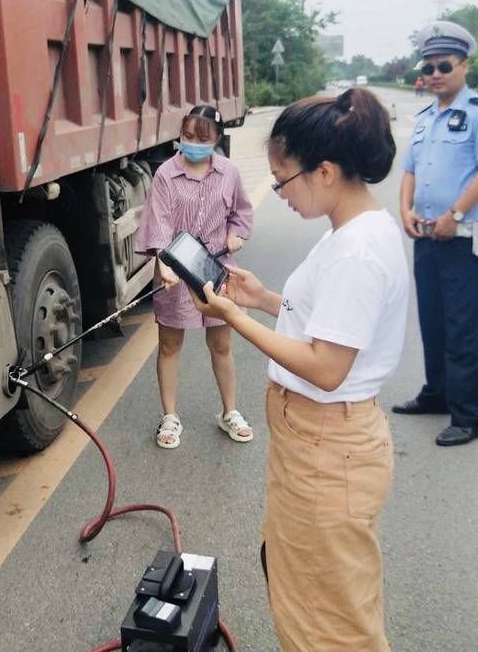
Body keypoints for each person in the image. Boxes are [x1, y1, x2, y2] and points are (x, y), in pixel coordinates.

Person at [187, 88, 408, 651]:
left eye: (283, 180)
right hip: (318, 445)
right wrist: (264, 299)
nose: (278, 194)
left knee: (325, 623)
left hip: (326, 449)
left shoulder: (356, 252)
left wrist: (232, 314)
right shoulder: (353, 234)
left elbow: (326, 366)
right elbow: (324, 322)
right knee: (328, 602)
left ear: (326, 171)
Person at [392, 21, 478, 446]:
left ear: (464, 65)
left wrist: (456, 213)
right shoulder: (426, 118)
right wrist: (404, 208)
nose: (436, 73)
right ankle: (437, 393)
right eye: (430, 66)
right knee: (433, 321)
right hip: (426, 236)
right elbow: (409, 169)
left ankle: (469, 414)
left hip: (463, 239)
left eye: (445, 65)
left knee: (466, 327)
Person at [135, 105, 254, 449]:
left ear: (217, 140)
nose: (193, 144)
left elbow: (241, 213)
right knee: (170, 344)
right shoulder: (165, 175)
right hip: (176, 269)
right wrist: (163, 263)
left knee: (221, 343)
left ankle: (229, 411)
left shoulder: (229, 172)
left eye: (203, 139)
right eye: (187, 136)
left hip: (217, 268)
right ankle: (170, 416)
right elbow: (156, 222)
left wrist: (237, 234)